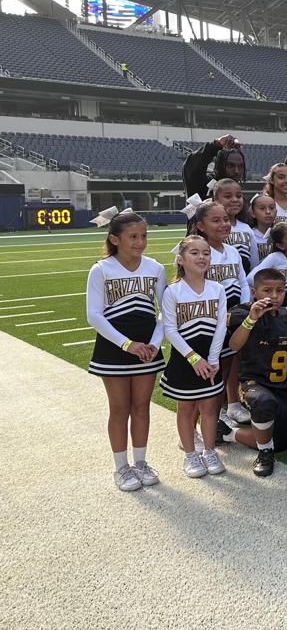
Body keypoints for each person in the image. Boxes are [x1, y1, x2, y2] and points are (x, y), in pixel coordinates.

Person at [86, 209, 167, 491]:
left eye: (143, 236)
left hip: (147, 346)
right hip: (114, 346)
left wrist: (154, 343)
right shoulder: (101, 269)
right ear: (114, 239)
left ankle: (141, 463)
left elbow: (165, 312)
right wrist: (127, 344)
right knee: (119, 408)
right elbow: (94, 315)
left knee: (141, 406)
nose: (140, 242)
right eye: (133, 237)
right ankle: (121, 467)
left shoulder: (155, 268)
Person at [222, 268, 287, 476]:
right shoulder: (243, 313)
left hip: (279, 386)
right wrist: (251, 319)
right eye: (267, 290)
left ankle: (227, 433)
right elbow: (233, 346)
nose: (274, 296)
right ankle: (264, 454)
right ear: (254, 292)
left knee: (279, 442)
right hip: (252, 383)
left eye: (280, 290)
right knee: (264, 403)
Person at [161, 235, 228, 478]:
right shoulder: (173, 291)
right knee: (186, 408)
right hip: (185, 359)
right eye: (195, 253)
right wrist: (193, 358)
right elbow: (170, 329)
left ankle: (209, 451)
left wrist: (213, 358)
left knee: (210, 407)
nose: (202, 257)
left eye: (206, 253)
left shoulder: (217, 289)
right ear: (180, 260)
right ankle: (190, 454)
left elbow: (221, 326)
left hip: (210, 358)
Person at [190, 200, 251, 424]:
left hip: (233, 317)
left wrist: (243, 309)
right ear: (201, 226)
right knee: (207, 375)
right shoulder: (198, 253)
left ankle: (220, 415)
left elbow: (242, 282)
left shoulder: (232, 251)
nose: (224, 224)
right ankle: (193, 425)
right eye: (216, 220)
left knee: (228, 366)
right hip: (210, 319)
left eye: (226, 219)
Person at [247, 222, 287, 344]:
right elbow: (251, 278)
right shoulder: (274, 258)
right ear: (280, 245)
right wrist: (271, 292)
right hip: (278, 310)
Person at [182, 133, 246, 200]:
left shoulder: (239, 199)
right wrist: (216, 144)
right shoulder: (205, 186)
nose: (236, 171)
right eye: (230, 166)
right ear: (220, 166)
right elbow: (192, 167)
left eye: (240, 166)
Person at [213, 178, 256, 275]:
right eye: (228, 196)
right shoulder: (212, 228)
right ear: (216, 200)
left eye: (239, 196)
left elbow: (254, 262)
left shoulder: (246, 228)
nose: (235, 200)